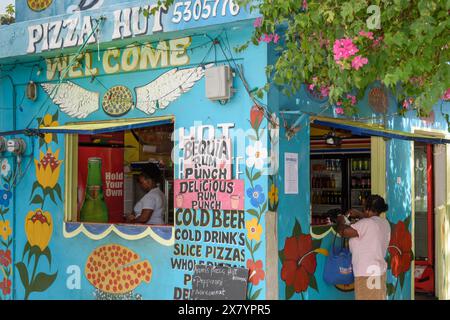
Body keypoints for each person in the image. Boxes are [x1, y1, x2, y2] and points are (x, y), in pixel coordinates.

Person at [336, 194, 391, 300]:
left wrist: (341, 220)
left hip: (367, 274)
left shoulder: (366, 223)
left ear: (368, 207)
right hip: (377, 271)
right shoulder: (384, 223)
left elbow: (343, 231)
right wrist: (361, 215)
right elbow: (370, 223)